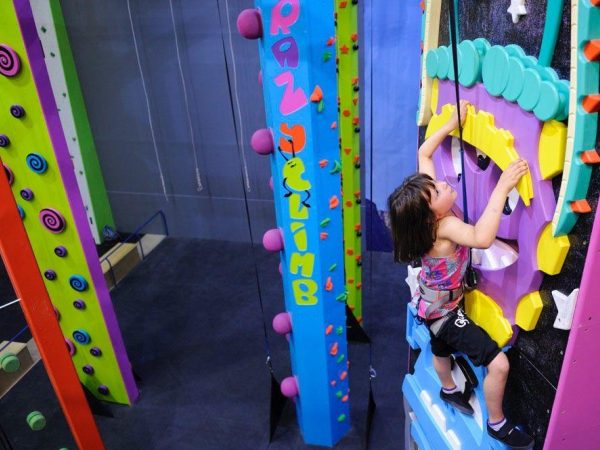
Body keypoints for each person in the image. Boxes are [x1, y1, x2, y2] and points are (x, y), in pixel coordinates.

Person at [388, 100, 534, 450]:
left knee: (440, 345)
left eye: (436, 184)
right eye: (437, 191)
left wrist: (451, 122)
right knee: (498, 364)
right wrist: (502, 187)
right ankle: (497, 424)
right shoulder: (445, 228)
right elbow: (482, 237)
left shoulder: (429, 219)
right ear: (431, 216)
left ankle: (449, 389)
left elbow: (424, 152)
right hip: (444, 311)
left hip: (428, 302)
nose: (441, 183)